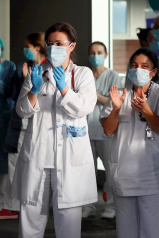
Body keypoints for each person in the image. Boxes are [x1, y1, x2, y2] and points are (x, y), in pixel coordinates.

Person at [12, 23, 97, 237]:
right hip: (37, 159)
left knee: (68, 227)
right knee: (30, 225)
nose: (53, 47)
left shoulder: (83, 74)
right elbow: (22, 111)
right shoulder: (37, 72)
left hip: (69, 161)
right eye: (50, 43)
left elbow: (85, 107)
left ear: (71, 46)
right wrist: (34, 89)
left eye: (59, 43)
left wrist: (64, 88)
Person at [100, 47, 159, 238]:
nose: (138, 69)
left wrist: (146, 110)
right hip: (124, 177)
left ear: (154, 71)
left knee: (154, 233)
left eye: (144, 66)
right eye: (134, 65)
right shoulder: (120, 94)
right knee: (127, 233)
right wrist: (116, 108)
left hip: (154, 178)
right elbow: (108, 129)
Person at [1, 33, 46, 220]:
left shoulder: (49, 67)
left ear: (37, 46)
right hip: (20, 123)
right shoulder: (21, 66)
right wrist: (23, 80)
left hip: (41, 124)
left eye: (28, 46)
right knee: (14, 163)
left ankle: (33, 203)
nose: (26, 50)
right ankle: (13, 205)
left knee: (37, 166)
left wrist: (31, 82)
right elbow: (12, 95)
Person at [81, 41, 121, 219]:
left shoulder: (112, 76)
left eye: (98, 52)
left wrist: (96, 96)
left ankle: (110, 206)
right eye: (91, 52)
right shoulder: (84, 74)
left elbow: (115, 101)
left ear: (105, 55)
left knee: (111, 172)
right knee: (86, 171)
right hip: (85, 131)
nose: (95, 55)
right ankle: (87, 207)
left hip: (106, 131)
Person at [0, 37, 17, 220]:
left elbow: (12, 91)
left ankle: (7, 206)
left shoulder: (9, 67)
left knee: (7, 165)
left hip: (5, 120)